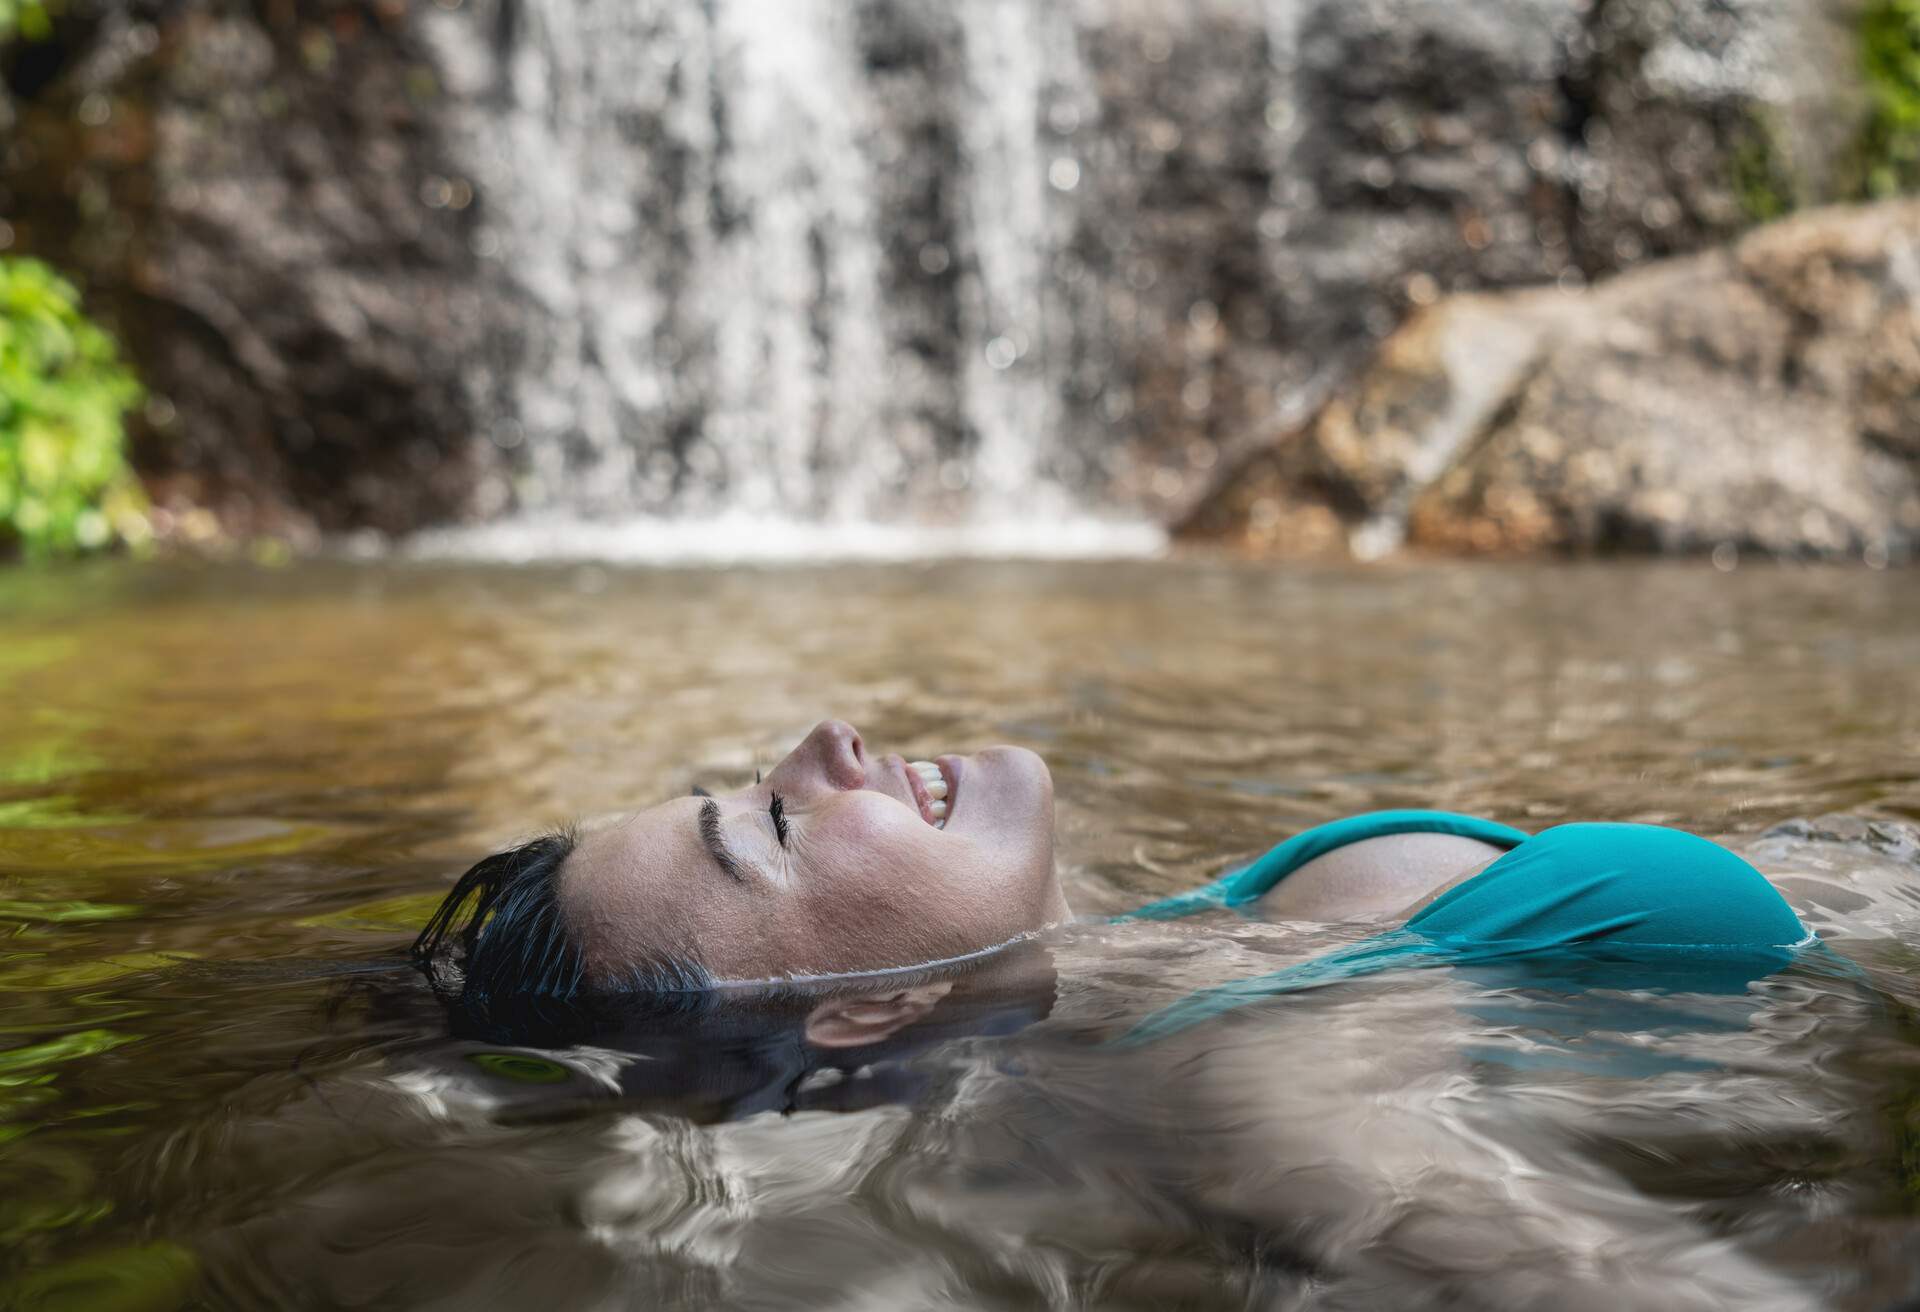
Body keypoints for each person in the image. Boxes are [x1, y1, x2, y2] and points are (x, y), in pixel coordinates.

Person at [412, 718, 1814, 1049]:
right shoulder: (1258, 1078)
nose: (828, 738)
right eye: (773, 828)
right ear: (861, 1009)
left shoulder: (1169, 939)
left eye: (757, 770)